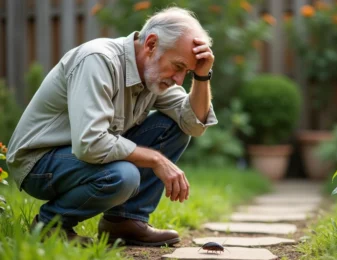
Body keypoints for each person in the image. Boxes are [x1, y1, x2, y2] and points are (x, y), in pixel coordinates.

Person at [6, 7, 217, 246]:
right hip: (39, 161)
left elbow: (193, 124)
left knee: (175, 127)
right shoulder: (98, 60)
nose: (179, 79)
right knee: (123, 177)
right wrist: (156, 160)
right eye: (179, 67)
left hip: (81, 157)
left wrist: (202, 76)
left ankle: (124, 222)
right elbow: (90, 144)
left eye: (186, 72)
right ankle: (50, 226)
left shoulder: (153, 73)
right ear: (151, 44)